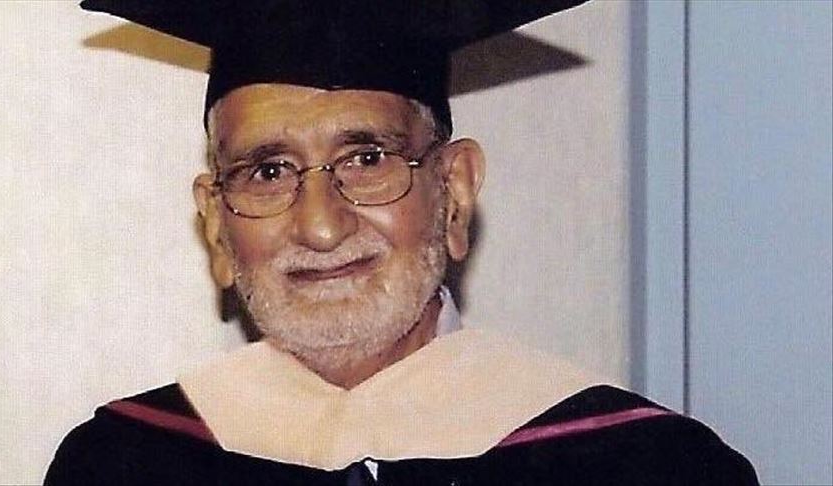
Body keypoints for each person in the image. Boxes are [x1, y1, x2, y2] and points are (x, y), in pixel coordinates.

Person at [45, 1, 759, 484]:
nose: (321, 226)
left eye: (367, 160)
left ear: (454, 192)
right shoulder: (119, 465)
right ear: (217, 223)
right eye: (268, 172)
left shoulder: (646, 466)